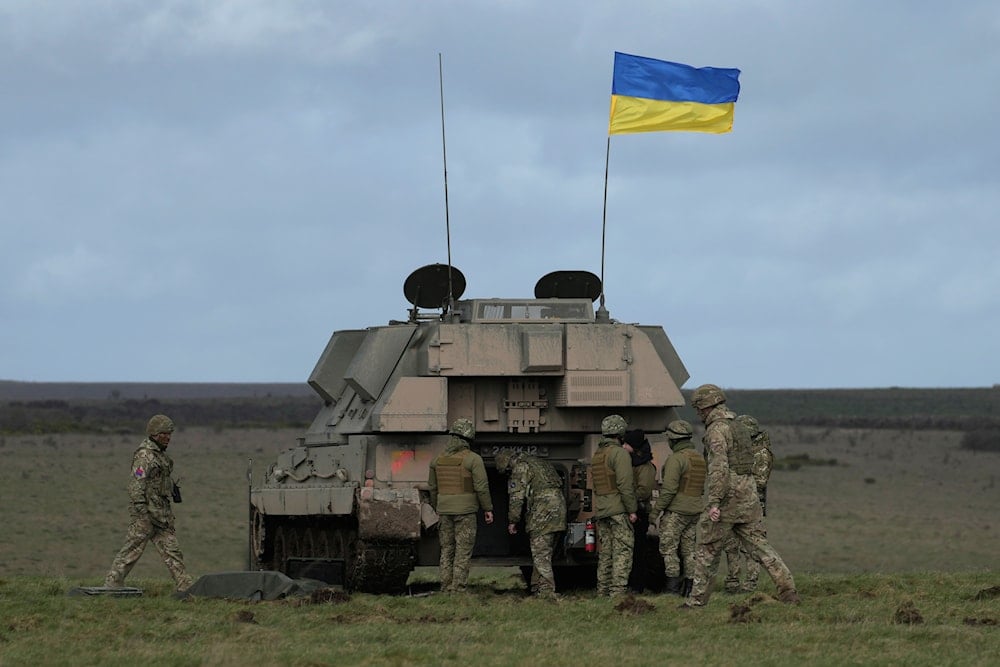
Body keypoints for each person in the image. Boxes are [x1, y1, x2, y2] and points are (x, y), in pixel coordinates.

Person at [680, 384, 799, 608]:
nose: (698, 413)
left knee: (707, 549)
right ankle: (788, 591)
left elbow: (719, 469)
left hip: (727, 498)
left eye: (698, 408)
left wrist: (714, 502)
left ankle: (696, 602)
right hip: (749, 495)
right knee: (761, 546)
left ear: (705, 407)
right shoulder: (739, 427)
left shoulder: (716, 431)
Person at [105, 414, 193, 592]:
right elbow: (136, 484)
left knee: (172, 550)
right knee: (132, 549)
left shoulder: (159, 456)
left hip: (161, 514)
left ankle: (185, 586)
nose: (168, 438)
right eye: (164, 434)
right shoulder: (145, 456)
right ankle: (112, 583)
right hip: (146, 513)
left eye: (169, 434)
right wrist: (141, 511)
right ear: (154, 434)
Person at [428, 417, 494, 593]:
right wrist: (488, 509)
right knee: (463, 551)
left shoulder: (437, 460)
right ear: (468, 439)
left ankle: (446, 586)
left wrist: (438, 507)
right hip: (465, 512)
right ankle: (458, 589)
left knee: (447, 550)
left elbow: (433, 488)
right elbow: (481, 487)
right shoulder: (473, 459)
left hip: (444, 510)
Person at [495, 449, 567, 599]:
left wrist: (513, 521)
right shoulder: (540, 463)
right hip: (559, 509)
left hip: (543, 511)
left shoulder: (520, 467)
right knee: (544, 552)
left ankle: (547, 592)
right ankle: (536, 587)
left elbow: (516, 497)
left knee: (541, 553)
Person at [651, 419, 706, 597]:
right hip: (694, 510)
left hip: (677, 511)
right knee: (689, 551)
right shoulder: (698, 458)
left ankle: (672, 589)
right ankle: (690, 588)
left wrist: (655, 512)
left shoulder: (676, 459)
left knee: (669, 549)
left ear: (673, 440)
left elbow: (668, 490)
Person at [723, 414, 773, 593]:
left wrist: (737, 478)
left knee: (751, 547)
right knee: (730, 545)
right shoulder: (740, 451)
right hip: (734, 504)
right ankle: (732, 581)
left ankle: (750, 584)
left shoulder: (761, 453)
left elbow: (760, 481)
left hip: (753, 507)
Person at [591, 414, 638, 598]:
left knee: (606, 553)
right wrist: (632, 510)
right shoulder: (619, 454)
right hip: (618, 509)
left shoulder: (598, 455)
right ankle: (618, 592)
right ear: (620, 433)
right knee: (623, 550)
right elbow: (625, 485)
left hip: (602, 509)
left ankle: (602, 590)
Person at [622, 429, 656, 592]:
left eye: (626, 444)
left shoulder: (645, 466)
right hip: (631, 509)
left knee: (638, 550)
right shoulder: (633, 462)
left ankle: (637, 585)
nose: (623, 446)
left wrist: (627, 498)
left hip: (639, 512)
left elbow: (644, 490)